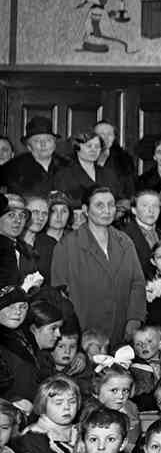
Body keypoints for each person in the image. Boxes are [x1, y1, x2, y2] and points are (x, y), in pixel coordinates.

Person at [50, 185, 145, 348]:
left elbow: (137, 283)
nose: (107, 210)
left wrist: (134, 319)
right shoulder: (67, 246)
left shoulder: (125, 241)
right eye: (99, 205)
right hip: (83, 335)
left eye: (111, 205)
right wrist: (70, 337)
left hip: (120, 333)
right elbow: (58, 294)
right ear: (86, 210)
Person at [52, 131, 120, 209]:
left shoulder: (109, 174)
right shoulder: (64, 175)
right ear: (77, 147)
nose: (93, 150)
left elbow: (116, 199)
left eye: (97, 146)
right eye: (89, 146)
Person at [2, 117, 64, 199]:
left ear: (54, 144)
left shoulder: (68, 165)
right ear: (29, 147)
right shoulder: (12, 167)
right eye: (37, 141)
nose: (43, 145)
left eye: (48, 140)